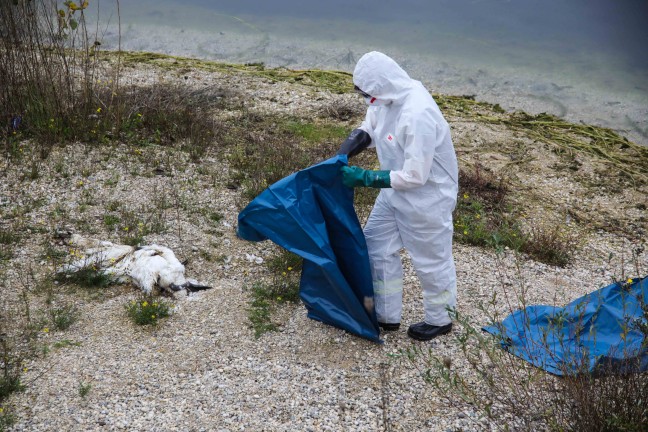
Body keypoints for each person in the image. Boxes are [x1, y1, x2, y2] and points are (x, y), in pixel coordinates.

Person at [337, 51, 458, 341]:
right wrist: (346, 149)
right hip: (392, 191)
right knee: (375, 246)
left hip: (427, 200)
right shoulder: (385, 96)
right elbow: (372, 123)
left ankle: (441, 319)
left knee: (431, 261)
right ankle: (386, 314)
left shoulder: (418, 114)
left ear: (382, 86)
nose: (368, 100)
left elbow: (417, 175)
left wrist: (366, 178)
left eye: (369, 95)